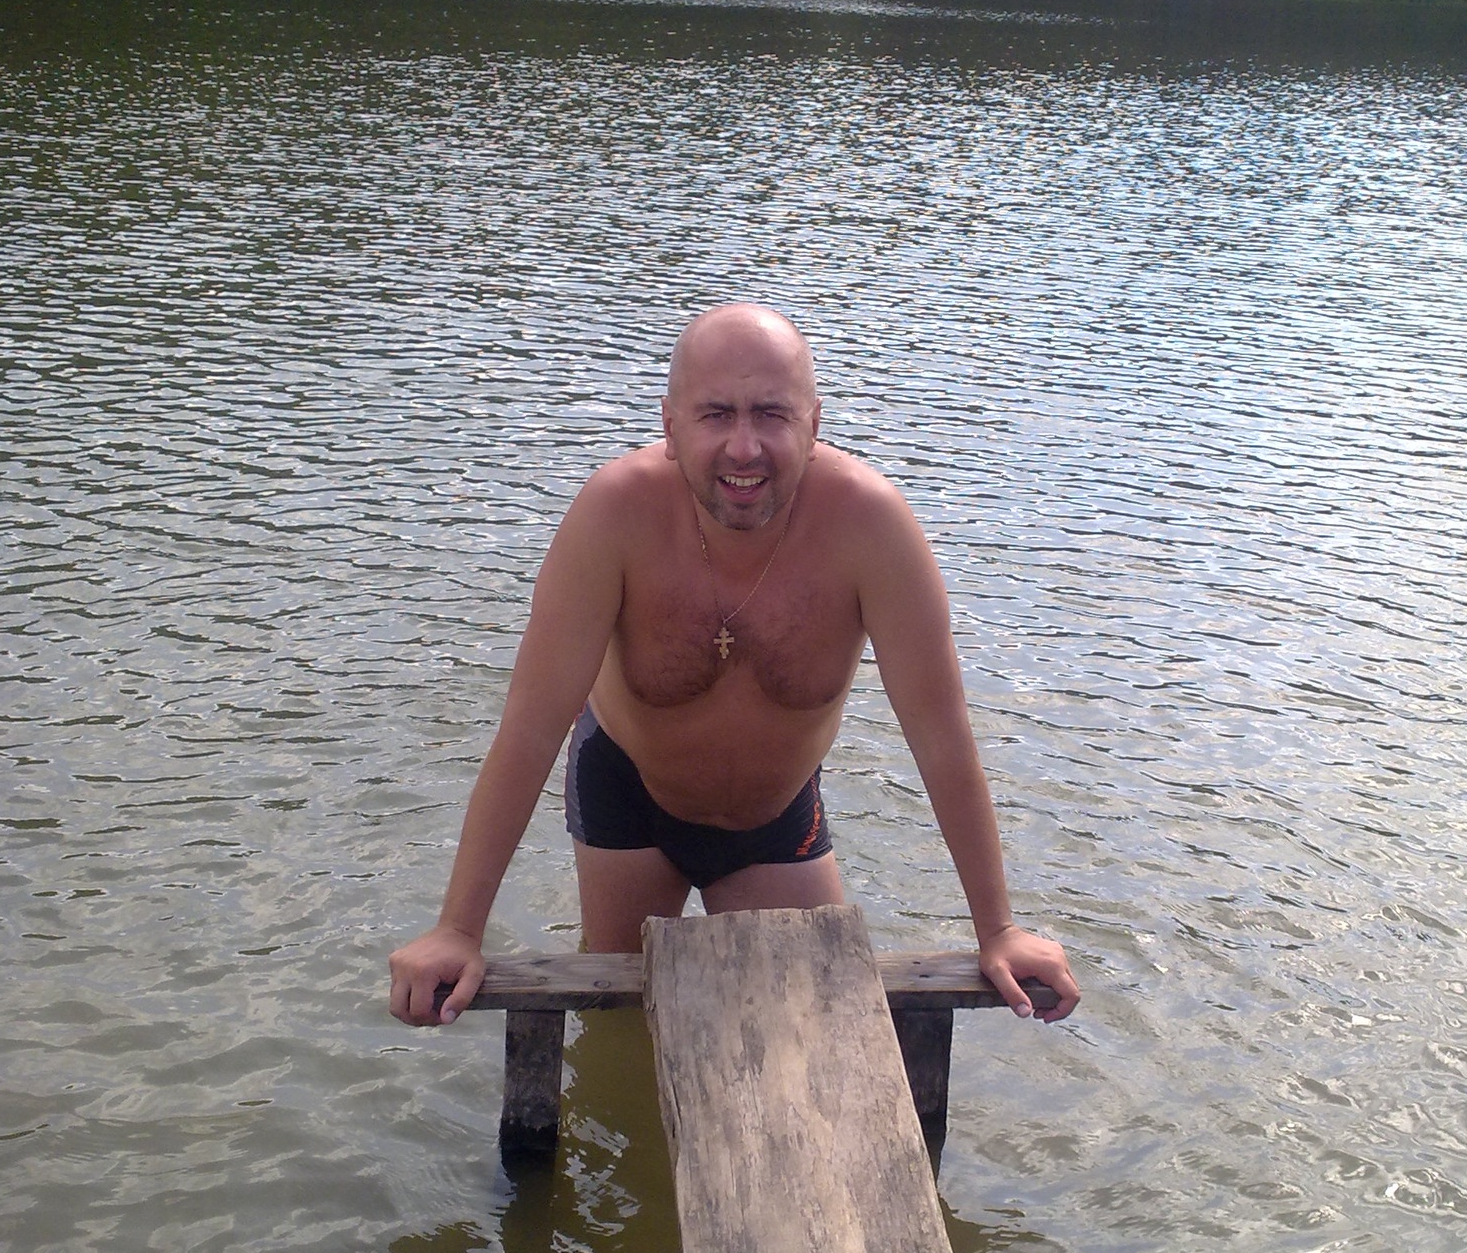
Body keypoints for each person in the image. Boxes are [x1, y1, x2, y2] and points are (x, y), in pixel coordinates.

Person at [389, 304, 1081, 1026]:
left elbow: (941, 736)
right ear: (670, 424)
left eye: (771, 415)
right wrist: (458, 930)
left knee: (814, 1028)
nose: (744, 448)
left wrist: (998, 930)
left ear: (814, 424)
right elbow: (531, 728)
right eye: (716, 414)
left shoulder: (870, 528)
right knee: (617, 1026)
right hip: (628, 793)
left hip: (776, 814)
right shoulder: (614, 515)